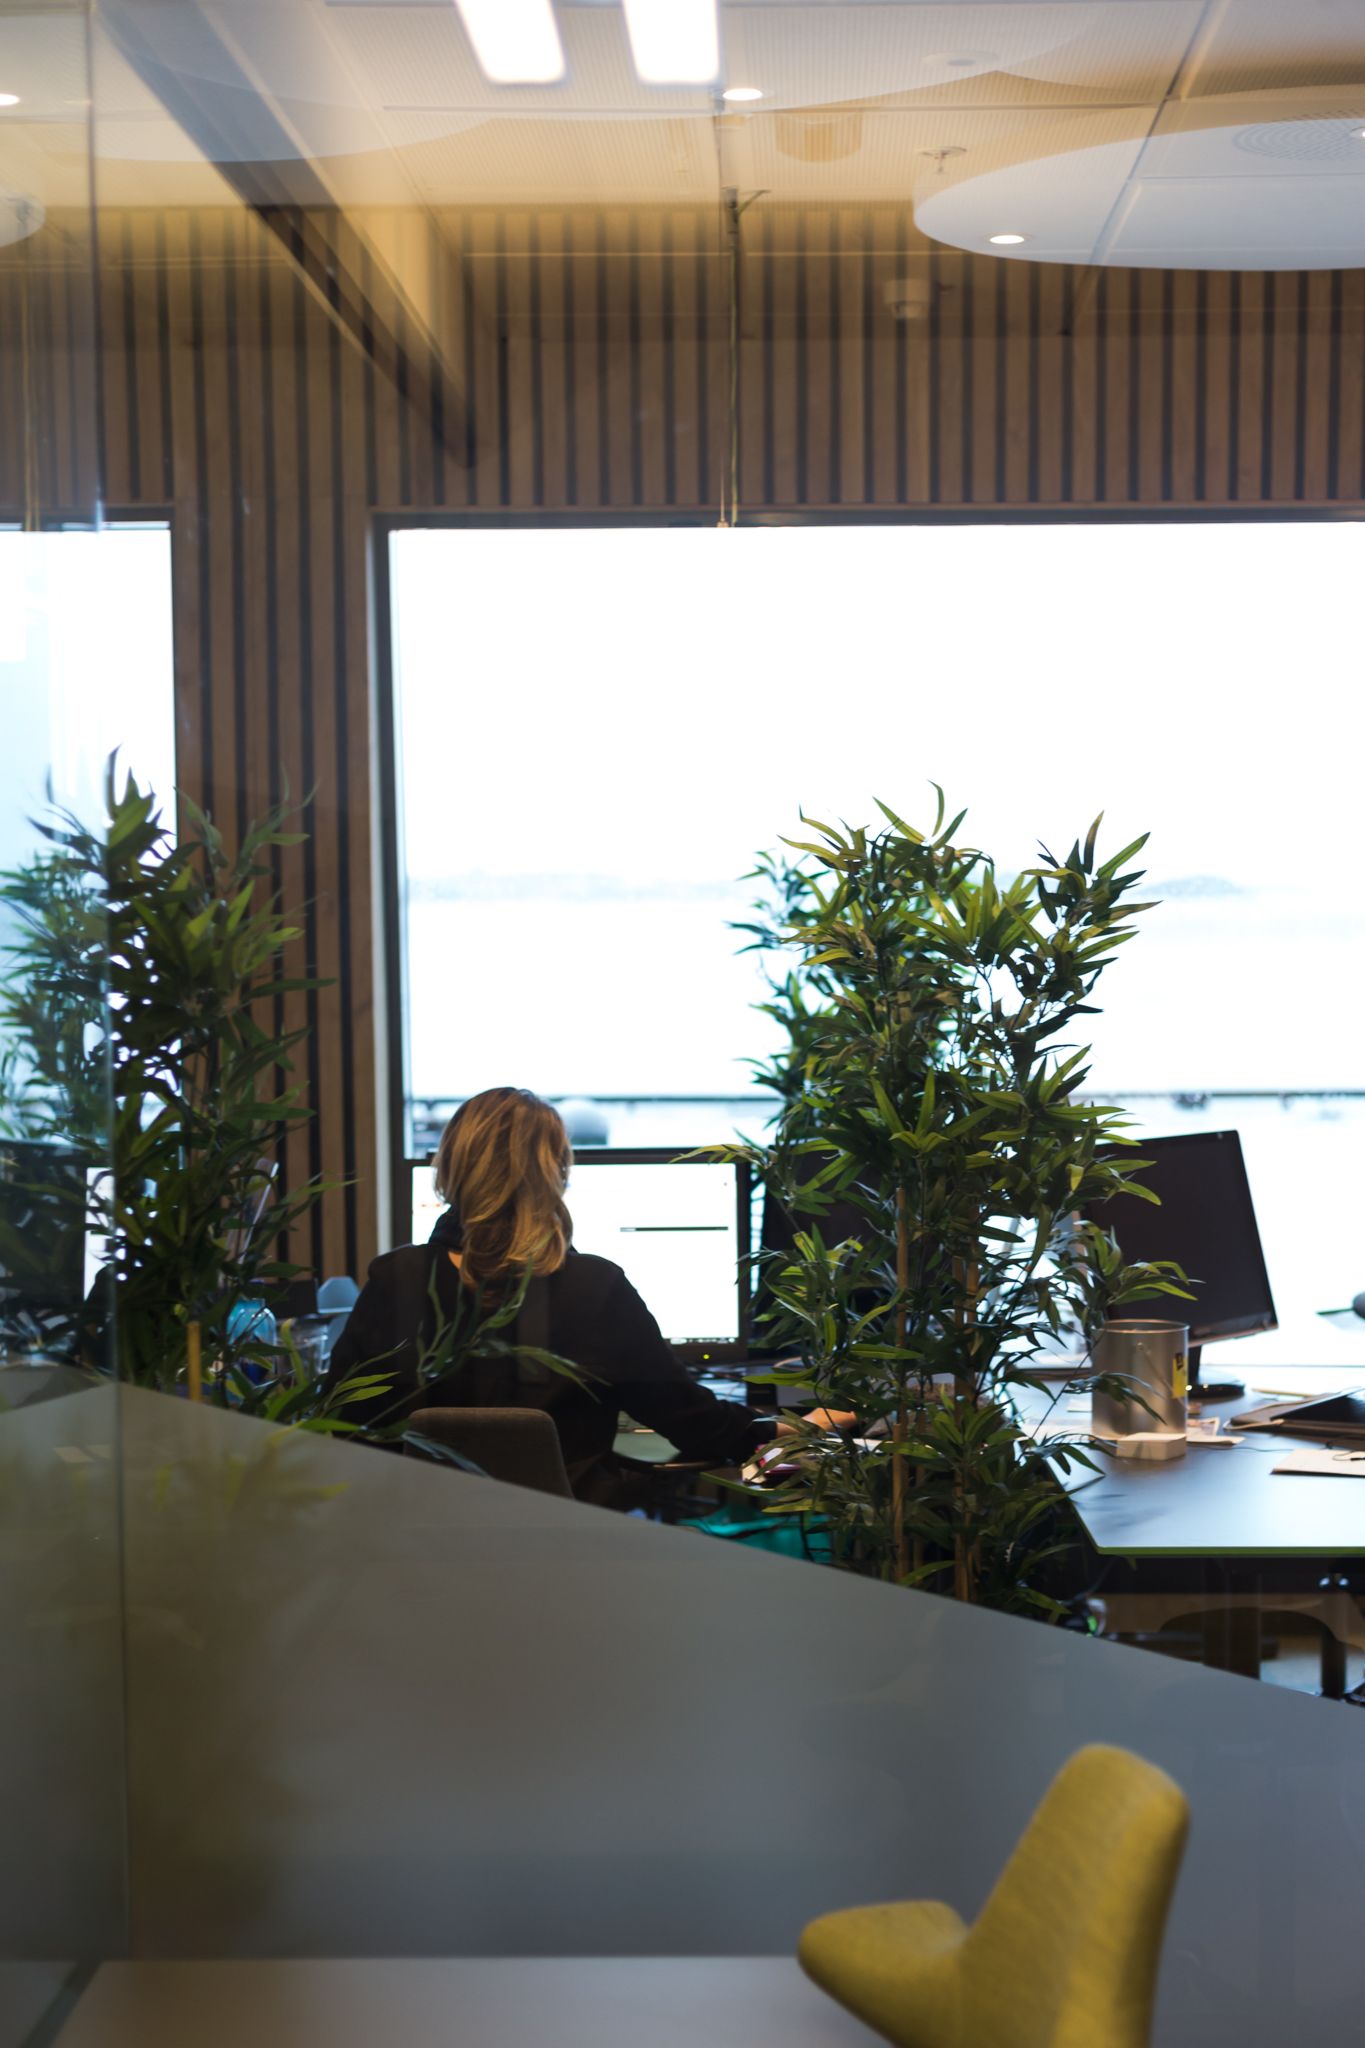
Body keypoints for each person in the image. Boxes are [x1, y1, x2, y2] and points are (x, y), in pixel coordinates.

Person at [325, 1086, 851, 1505]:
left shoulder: (394, 1279)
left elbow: (341, 1424)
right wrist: (793, 1429)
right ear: (555, 1172)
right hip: (570, 1551)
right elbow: (692, 1423)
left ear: (448, 1169)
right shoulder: (595, 1287)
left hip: (414, 1552)